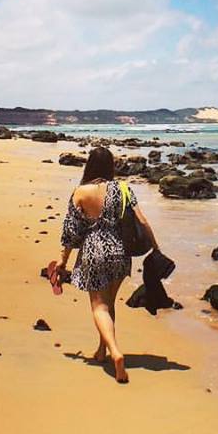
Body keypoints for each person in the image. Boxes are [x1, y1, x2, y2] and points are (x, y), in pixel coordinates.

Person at [54, 145, 159, 384]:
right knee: (109, 304)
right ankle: (102, 351)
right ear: (110, 166)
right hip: (120, 251)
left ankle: (114, 352)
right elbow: (142, 220)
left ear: (89, 165)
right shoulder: (123, 188)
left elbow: (71, 232)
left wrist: (63, 260)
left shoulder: (80, 192)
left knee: (99, 307)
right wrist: (157, 248)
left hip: (94, 250)